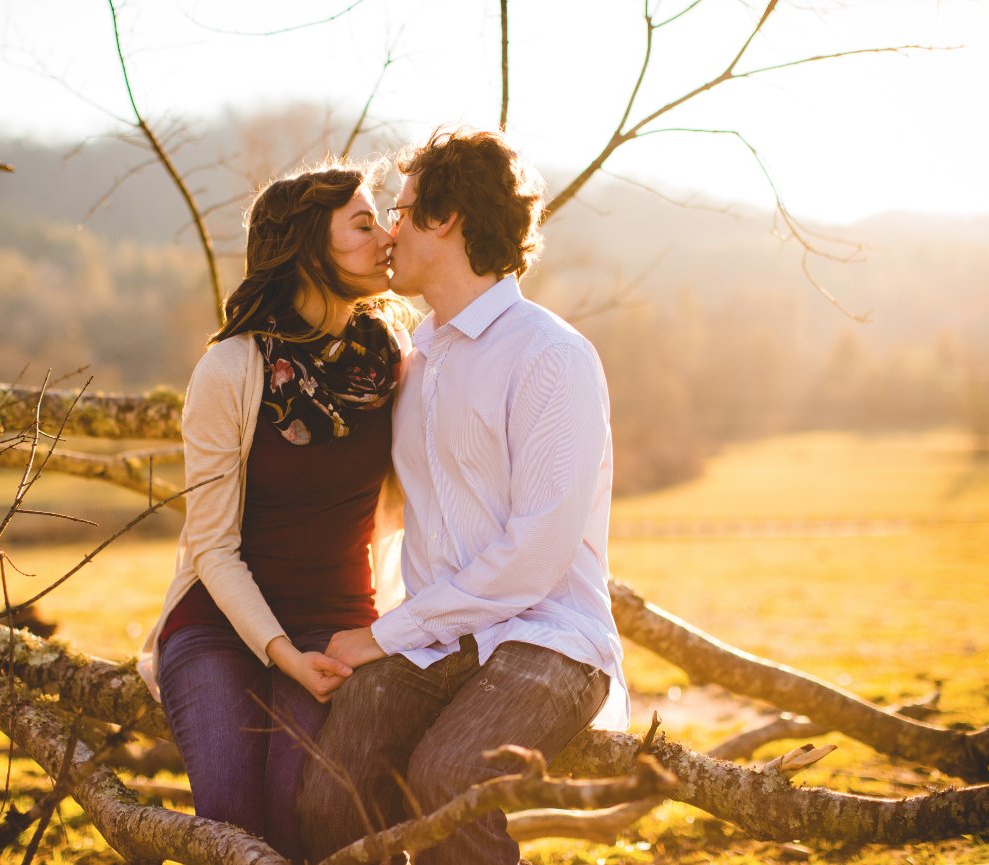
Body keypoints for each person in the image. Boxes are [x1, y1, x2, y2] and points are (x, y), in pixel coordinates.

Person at [298, 129, 629, 865]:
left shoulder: (551, 356)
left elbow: (534, 559)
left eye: (404, 210)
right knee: (327, 794)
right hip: (439, 640)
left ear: (444, 220)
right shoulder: (413, 361)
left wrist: (382, 636)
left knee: (446, 775)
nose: (389, 229)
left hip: (549, 640)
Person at [136, 163, 411, 864]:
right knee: (233, 824)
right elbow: (212, 549)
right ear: (306, 246)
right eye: (362, 223)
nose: (387, 236)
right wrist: (279, 651)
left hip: (336, 628)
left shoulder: (395, 360)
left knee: (299, 818)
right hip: (223, 625)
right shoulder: (230, 369)